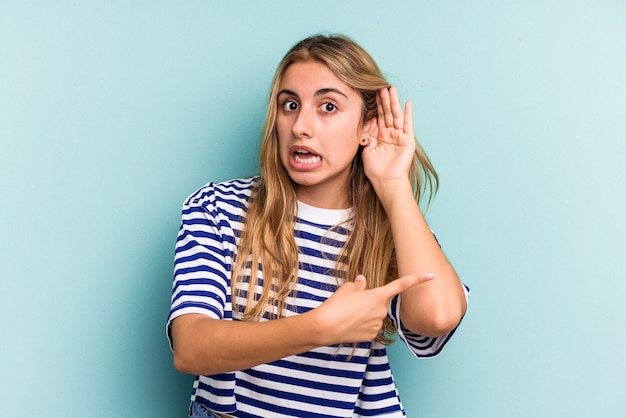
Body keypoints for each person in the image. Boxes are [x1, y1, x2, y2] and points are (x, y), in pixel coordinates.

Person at [167, 34, 469, 418]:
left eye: (328, 106)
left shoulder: (391, 229)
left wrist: (393, 187)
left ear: (367, 126)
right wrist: (321, 327)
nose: (301, 127)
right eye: (289, 105)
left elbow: (437, 317)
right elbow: (191, 347)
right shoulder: (218, 208)